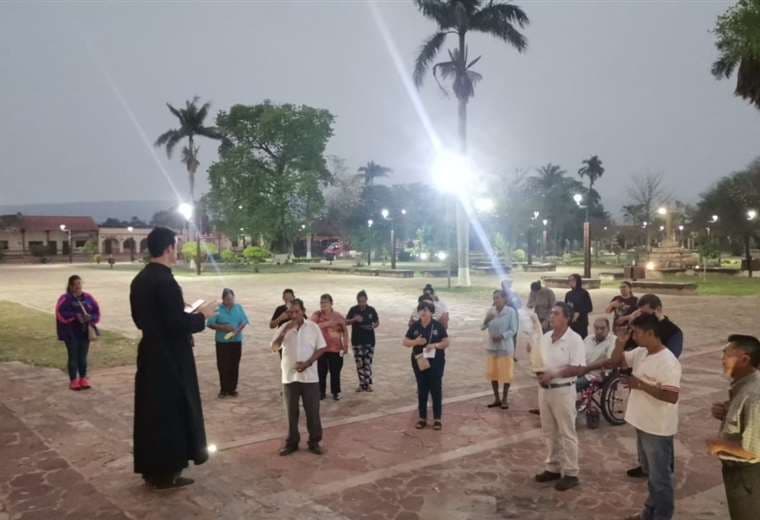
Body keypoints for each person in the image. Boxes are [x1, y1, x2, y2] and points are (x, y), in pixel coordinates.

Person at [129, 227, 217, 489]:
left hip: (150, 353)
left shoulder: (140, 280)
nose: (176, 250)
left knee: (150, 413)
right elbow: (176, 323)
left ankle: (151, 468)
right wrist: (203, 315)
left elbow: (143, 319)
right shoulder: (165, 281)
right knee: (171, 413)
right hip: (170, 357)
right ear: (168, 248)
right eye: (175, 246)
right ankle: (167, 470)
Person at [586, 314, 682, 520]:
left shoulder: (668, 361)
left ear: (651, 333)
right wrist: (620, 343)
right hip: (642, 422)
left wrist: (640, 385)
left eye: (637, 333)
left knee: (661, 479)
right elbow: (614, 361)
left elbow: (671, 396)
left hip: (657, 427)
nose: (634, 337)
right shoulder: (641, 352)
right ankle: (648, 513)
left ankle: (662, 516)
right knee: (651, 475)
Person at [619, 293, 684, 480]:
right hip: (643, 405)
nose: (642, 315)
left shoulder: (671, 333)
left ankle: (664, 468)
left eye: (646, 312)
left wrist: (641, 382)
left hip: (659, 401)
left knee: (660, 456)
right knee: (644, 437)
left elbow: (670, 363)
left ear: (657, 310)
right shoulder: (642, 339)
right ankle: (645, 465)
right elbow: (626, 353)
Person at [534, 302, 586, 491]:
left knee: (566, 432)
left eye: (556, 313)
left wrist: (554, 374)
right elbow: (541, 361)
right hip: (545, 390)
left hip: (563, 390)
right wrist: (540, 373)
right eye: (551, 313)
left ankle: (571, 472)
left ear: (567, 318)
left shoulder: (575, 339)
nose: (551, 316)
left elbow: (579, 368)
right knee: (549, 431)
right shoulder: (546, 337)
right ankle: (553, 467)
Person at [707, 335, 760, 520]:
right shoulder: (745, 387)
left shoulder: (753, 396)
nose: (722, 359)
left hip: (748, 478)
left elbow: (753, 451)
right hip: (739, 475)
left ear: (744, 359)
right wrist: (728, 410)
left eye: (727, 354)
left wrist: (720, 445)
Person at [271, 299, 327, 456]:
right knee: (291, 413)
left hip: (310, 378)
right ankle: (292, 442)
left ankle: (314, 442)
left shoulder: (313, 327)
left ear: (303, 310)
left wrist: (309, 362)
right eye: (290, 312)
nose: (294, 315)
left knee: (312, 412)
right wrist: (284, 331)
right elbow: (274, 347)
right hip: (290, 377)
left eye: (296, 311)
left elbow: (321, 347)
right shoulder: (284, 327)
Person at [403, 300, 450, 431]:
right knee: (422, 389)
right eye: (421, 309)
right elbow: (405, 342)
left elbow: (446, 342)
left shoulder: (437, 326)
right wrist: (415, 341)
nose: (424, 312)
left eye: (427, 309)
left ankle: (437, 419)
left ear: (431, 312)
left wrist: (435, 345)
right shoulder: (415, 326)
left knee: (436, 389)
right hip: (419, 361)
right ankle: (422, 418)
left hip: (436, 362)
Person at [56, 275, 100, 391]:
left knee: (83, 357)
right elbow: (60, 314)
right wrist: (75, 317)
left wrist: (90, 318)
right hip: (71, 333)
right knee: (73, 357)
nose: (78, 286)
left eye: (79, 284)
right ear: (70, 286)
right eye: (75, 284)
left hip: (84, 332)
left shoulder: (88, 297)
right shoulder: (65, 299)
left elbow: (96, 311)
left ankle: (83, 378)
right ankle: (73, 380)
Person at [206, 288, 249, 398]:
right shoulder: (218, 309)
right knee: (223, 365)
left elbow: (244, 321)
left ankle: (232, 389)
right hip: (222, 342)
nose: (230, 301)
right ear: (223, 299)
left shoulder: (238, 308)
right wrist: (222, 327)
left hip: (236, 340)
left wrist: (237, 331)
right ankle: (224, 389)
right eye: (227, 299)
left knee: (234, 364)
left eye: (231, 298)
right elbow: (210, 324)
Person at [482, 290, 518, 409]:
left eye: (498, 298)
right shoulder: (491, 311)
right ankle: (496, 398)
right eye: (494, 298)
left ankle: (505, 399)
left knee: (506, 374)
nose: (495, 300)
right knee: (493, 374)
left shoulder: (510, 312)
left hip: (505, 347)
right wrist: (487, 320)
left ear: (504, 299)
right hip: (492, 347)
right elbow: (483, 327)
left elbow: (513, 329)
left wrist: (502, 336)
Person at [311, 294, 349, 401]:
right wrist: (329, 323)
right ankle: (321, 392)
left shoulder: (338, 316)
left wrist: (346, 345)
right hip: (321, 348)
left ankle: (336, 392)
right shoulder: (317, 315)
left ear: (331, 303)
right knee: (321, 372)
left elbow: (345, 331)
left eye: (325, 302)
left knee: (335, 371)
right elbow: (311, 326)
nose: (323, 304)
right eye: (321, 302)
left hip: (336, 349)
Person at [346, 290, 380, 392]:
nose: (362, 303)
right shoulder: (353, 310)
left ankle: (368, 384)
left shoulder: (371, 310)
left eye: (363, 301)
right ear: (357, 301)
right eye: (360, 301)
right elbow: (346, 322)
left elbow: (377, 322)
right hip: (357, 341)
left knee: (368, 363)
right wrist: (354, 319)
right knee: (359, 363)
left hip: (369, 340)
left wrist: (374, 325)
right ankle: (361, 384)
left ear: (366, 300)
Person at [577, 317, 616, 390]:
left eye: (602, 328)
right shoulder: (588, 338)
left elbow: (609, 360)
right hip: (580, 371)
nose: (599, 331)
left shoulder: (613, 340)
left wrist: (587, 368)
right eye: (596, 328)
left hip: (595, 375)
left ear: (608, 329)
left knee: (571, 386)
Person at [564, 274, 593, 339]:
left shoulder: (584, 293)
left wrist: (579, 312)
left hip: (581, 324)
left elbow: (589, 307)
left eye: (573, 280)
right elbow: (565, 307)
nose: (570, 282)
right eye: (569, 280)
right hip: (571, 324)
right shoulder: (568, 294)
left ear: (578, 281)